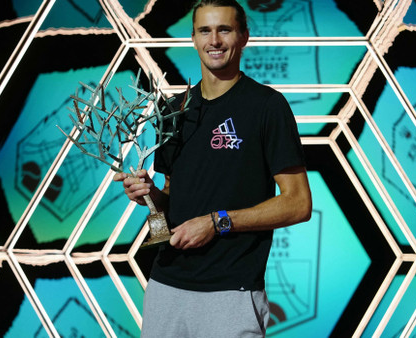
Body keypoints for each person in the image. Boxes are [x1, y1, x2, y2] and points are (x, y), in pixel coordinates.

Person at [113, 0, 312, 336]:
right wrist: (149, 197)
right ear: (193, 38)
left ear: (244, 37)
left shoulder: (267, 106)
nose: (214, 40)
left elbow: (298, 203)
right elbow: (172, 204)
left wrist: (217, 222)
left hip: (230, 294)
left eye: (225, 29)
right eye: (205, 30)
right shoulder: (173, 110)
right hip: (166, 289)